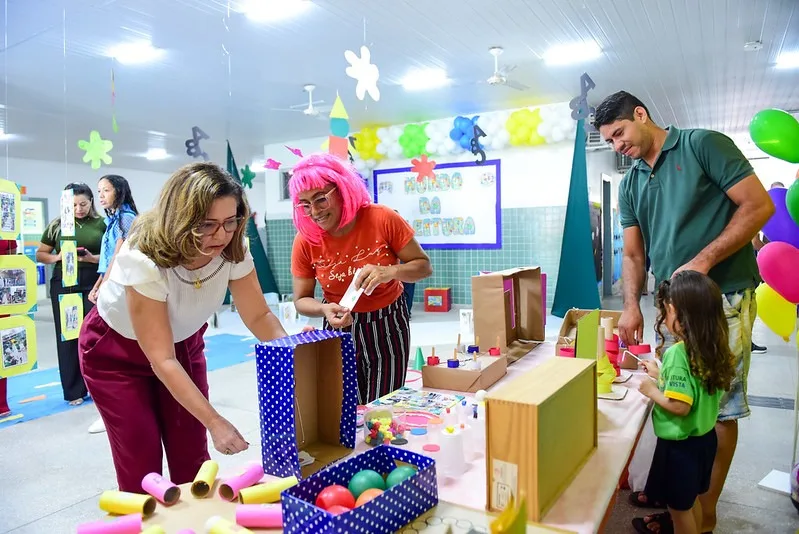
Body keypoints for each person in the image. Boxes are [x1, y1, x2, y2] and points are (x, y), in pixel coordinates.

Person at [594, 91, 775, 533]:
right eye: (609, 142)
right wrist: (633, 305)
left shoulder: (702, 145)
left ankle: (705, 511)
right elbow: (634, 256)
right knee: (680, 394)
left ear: (641, 115)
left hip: (722, 300)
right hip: (671, 307)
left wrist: (705, 261)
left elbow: (759, 206)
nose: (617, 146)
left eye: (619, 133)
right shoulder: (632, 182)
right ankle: (681, 498)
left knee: (719, 408)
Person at [78, 162, 287, 492]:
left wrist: (295, 359)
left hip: (182, 344)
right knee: (140, 456)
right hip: (116, 352)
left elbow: (259, 317)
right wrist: (216, 421)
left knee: (191, 452)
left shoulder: (233, 247)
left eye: (230, 222)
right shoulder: (143, 256)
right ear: (181, 220)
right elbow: (161, 359)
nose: (221, 235)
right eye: (207, 225)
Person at [289, 153, 432, 404]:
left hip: (388, 323)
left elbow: (423, 267)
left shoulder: (382, 218)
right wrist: (323, 309)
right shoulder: (306, 241)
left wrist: (389, 271)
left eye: (321, 199)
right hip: (339, 327)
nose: (314, 212)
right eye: (305, 204)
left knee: (383, 408)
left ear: (342, 188)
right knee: (343, 407)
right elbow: (301, 300)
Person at [635, 272, 736, 534]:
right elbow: (695, 387)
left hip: (681, 449)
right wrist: (661, 375)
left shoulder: (678, 353)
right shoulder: (710, 347)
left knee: (679, 511)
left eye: (666, 310)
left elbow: (681, 406)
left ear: (676, 312)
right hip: (704, 442)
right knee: (692, 502)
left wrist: (652, 390)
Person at [36, 183, 105, 406]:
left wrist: (91, 258)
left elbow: (112, 254)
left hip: (94, 282)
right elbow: (41, 254)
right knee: (68, 336)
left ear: (91, 202)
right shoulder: (57, 225)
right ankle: (74, 390)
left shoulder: (101, 224)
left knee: (95, 335)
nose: (79, 209)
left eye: (83, 204)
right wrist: (59, 257)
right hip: (64, 283)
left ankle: (98, 385)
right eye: (74, 205)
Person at [85, 174, 139, 435]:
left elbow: (119, 257)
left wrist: (103, 286)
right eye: (99, 191)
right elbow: (106, 259)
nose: (101, 195)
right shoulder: (114, 220)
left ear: (119, 191)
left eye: (106, 190)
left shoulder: (126, 219)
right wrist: (98, 285)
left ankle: (112, 411)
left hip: (119, 288)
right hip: (110, 286)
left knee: (107, 349)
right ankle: (109, 410)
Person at [0, 238, 17, 417]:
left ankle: (1, 403)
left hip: (3, 298)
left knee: (2, 347)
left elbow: (14, 265)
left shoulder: (7, 234)